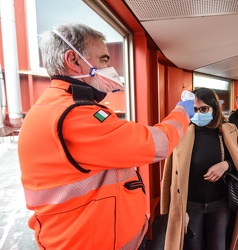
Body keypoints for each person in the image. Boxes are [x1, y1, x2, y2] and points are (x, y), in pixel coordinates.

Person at [17, 23, 194, 249]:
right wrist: (182, 112)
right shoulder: (72, 116)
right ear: (73, 60)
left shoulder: (61, 107)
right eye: (104, 59)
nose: (110, 67)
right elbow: (156, 144)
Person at [160, 87, 238, 250]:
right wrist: (180, 210)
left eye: (204, 109)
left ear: (214, 108)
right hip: (191, 203)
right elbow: (172, 174)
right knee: (193, 245)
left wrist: (225, 165)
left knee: (218, 245)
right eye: (194, 109)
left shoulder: (228, 131)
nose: (199, 113)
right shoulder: (181, 132)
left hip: (220, 202)